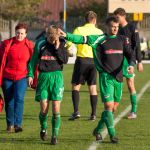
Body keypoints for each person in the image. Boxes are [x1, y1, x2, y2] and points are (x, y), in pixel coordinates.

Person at [59, 16, 135, 143]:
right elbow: (81, 39)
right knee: (108, 106)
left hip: (119, 77)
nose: (115, 29)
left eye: (117, 26)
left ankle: (98, 130)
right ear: (107, 26)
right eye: (113, 26)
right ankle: (112, 135)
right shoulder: (99, 39)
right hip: (106, 77)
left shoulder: (123, 39)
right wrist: (67, 35)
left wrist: (131, 65)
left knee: (113, 108)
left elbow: (130, 54)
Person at [27, 25, 68, 145]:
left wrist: (57, 48)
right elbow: (33, 60)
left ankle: (55, 136)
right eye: (50, 36)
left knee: (56, 107)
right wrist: (30, 75)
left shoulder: (62, 43)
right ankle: (43, 128)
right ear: (47, 35)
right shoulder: (40, 44)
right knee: (44, 109)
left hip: (57, 77)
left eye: (54, 37)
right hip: (44, 77)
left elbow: (64, 60)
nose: (52, 39)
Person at [68, 11, 103, 121]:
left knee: (76, 86)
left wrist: (70, 49)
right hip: (94, 62)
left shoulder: (79, 30)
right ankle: (93, 114)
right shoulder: (99, 31)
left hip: (82, 60)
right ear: (95, 20)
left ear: (85, 19)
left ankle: (76, 112)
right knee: (92, 88)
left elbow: (69, 42)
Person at [0, 23, 34, 133]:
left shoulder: (29, 46)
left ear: (26, 34)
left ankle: (17, 124)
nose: (19, 35)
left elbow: (32, 63)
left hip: (22, 77)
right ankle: (10, 124)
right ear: (15, 33)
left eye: (22, 33)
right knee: (9, 101)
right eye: (18, 33)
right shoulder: (7, 44)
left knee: (19, 98)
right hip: (7, 77)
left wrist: (30, 75)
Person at [114, 8, 143, 119]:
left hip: (129, 60)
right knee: (117, 85)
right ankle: (113, 108)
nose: (116, 19)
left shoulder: (132, 27)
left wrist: (139, 61)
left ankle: (134, 111)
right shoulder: (117, 29)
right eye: (115, 17)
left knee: (130, 85)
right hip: (119, 60)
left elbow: (137, 45)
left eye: (117, 17)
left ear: (123, 16)